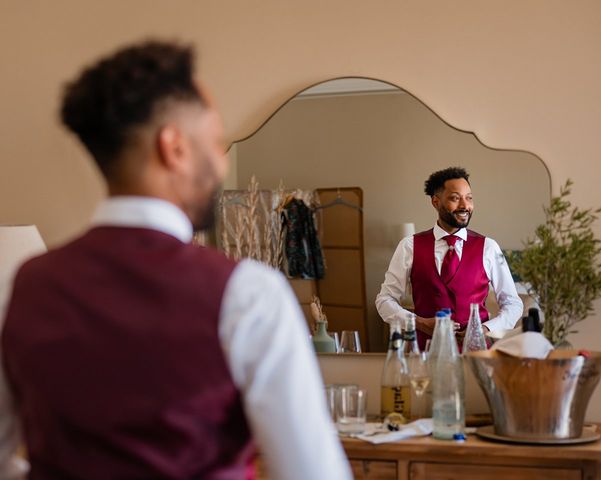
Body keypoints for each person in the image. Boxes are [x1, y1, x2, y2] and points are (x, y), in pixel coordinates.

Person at [0, 41, 352, 480]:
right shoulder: (248, 293)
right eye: (215, 140)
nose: (221, 167)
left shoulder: (27, 285)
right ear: (175, 147)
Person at [376, 167, 523, 350]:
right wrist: (420, 323)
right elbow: (384, 300)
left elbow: (513, 303)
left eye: (469, 197)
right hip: (426, 353)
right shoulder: (409, 246)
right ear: (436, 202)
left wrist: (485, 328)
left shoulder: (489, 247)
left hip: (476, 355)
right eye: (455, 198)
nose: (464, 206)